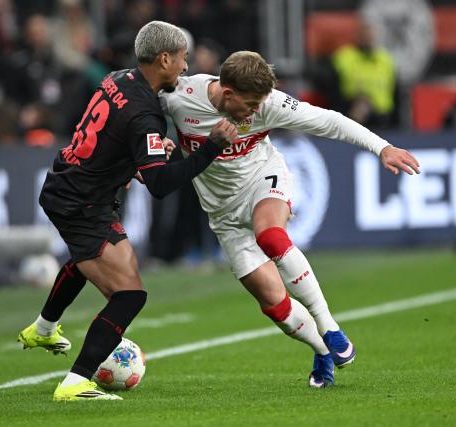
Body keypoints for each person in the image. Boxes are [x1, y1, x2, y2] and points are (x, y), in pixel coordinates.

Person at [160, 51, 420, 387]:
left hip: (263, 180)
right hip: (223, 214)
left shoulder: (269, 103)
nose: (255, 112)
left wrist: (382, 147)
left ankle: (329, 327)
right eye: (249, 105)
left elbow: (330, 121)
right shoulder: (180, 99)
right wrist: (151, 147)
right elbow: (135, 110)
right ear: (228, 94)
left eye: (258, 105)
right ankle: (321, 349)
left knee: (270, 235)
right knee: (274, 304)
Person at [16, 21, 236, 401]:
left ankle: (44, 328)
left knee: (97, 261)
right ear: (164, 58)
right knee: (130, 294)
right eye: (183, 59)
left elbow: (108, 138)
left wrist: (141, 158)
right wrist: (211, 148)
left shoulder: (119, 79)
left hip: (73, 186)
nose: (186, 68)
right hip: (81, 202)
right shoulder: (144, 113)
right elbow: (161, 185)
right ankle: (76, 382)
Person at [328, 19, 397, 129]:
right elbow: (331, 89)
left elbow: (395, 90)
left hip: (383, 118)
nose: (368, 39)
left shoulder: (385, 59)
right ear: (357, 35)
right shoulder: (344, 57)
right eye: (365, 35)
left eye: (371, 35)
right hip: (352, 114)